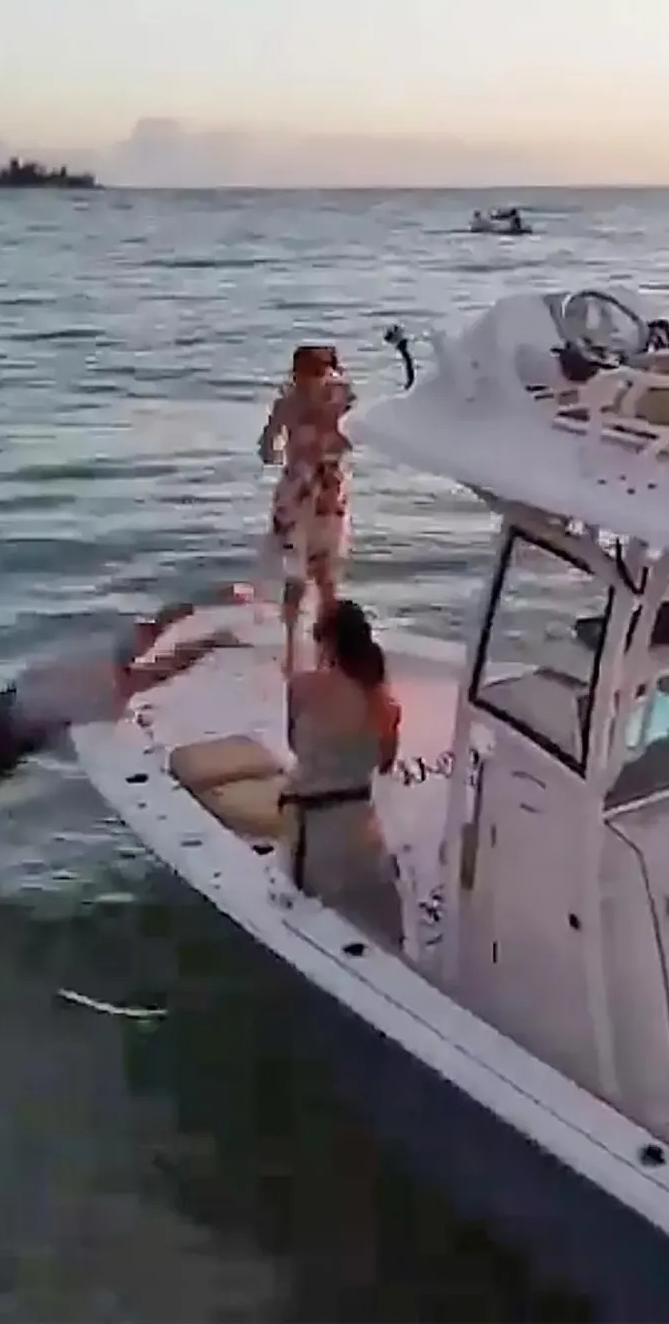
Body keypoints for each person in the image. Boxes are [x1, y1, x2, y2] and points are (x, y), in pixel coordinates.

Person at [0, 592, 247, 861]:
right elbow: (148, 675)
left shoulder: (111, 646)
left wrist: (199, 639)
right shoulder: (107, 677)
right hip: (1, 733)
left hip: (9, 715)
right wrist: (202, 646)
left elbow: (149, 664)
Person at [280, 599, 403, 946]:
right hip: (361, 830)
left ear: (327, 641)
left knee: (308, 932)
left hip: (313, 828)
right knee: (383, 933)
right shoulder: (386, 704)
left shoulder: (302, 688)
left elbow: (294, 745)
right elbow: (386, 761)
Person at [259, 344, 355, 675]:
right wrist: (281, 449)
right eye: (302, 375)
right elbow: (266, 447)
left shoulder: (343, 401)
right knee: (296, 576)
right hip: (299, 495)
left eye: (314, 374)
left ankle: (324, 653)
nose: (308, 381)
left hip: (328, 494)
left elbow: (359, 437)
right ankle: (290, 646)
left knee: (326, 576)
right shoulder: (288, 403)